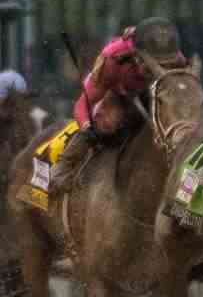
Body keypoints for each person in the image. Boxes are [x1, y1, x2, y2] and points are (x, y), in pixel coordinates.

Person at [50, 18, 189, 196]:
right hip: (118, 91)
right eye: (152, 63)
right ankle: (61, 169)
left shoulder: (177, 59)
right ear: (135, 55)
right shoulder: (112, 60)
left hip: (155, 91)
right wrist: (87, 126)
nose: (158, 68)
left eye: (164, 64)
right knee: (107, 122)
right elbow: (82, 105)